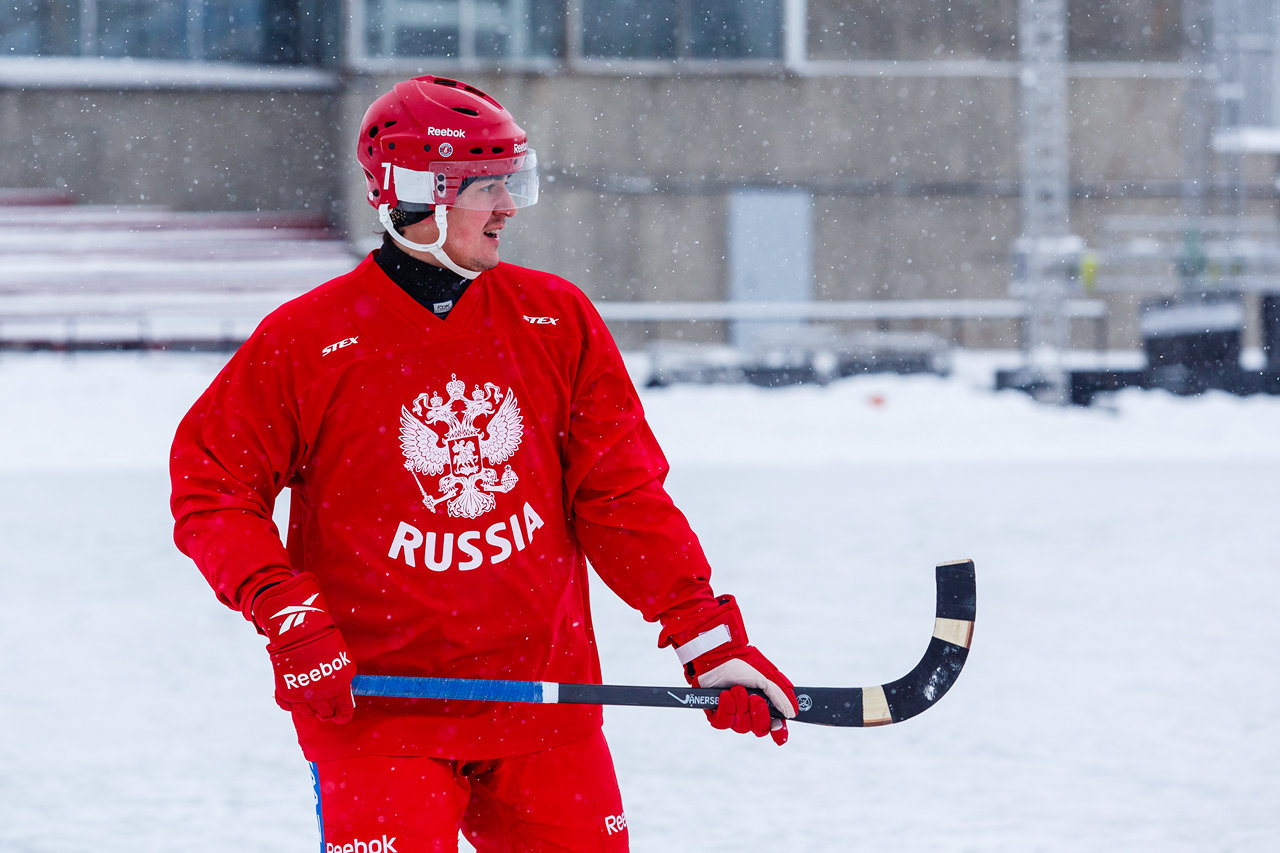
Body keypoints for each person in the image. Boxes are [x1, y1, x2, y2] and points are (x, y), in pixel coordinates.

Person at [170, 75, 797, 853]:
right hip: (378, 715)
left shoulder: (554, 317)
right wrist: (286, 612)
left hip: (545, 709)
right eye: (486, 186)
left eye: (513, 181)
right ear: (413, 194)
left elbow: (620, 495)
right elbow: (211, 490)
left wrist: (706, 635)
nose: (509, 207)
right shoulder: (309, 341)